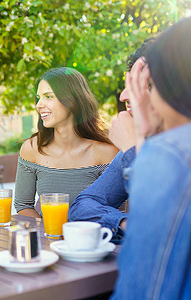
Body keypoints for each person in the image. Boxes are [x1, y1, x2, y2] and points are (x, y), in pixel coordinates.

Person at [112, 17, 191, 299]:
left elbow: (144, 289)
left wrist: (139, 149)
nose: (127, 96)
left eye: (146, 83)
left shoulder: (169, 155)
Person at [68, 38, 159, 242]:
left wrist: (131, 149)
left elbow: (159, 232)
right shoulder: (144, 143)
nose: (124, 95)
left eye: (143, 83)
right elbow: (82, 206)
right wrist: (124, 224)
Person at [14, 67, 118, 218]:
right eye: (38, 98)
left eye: (48, 97)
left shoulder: (107, 152)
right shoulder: (31, 149)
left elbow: (116, 211)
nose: (38, 105)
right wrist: (51, 234)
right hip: (50, 239)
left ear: (73, 100)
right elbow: (23, 205)